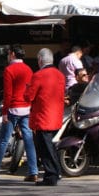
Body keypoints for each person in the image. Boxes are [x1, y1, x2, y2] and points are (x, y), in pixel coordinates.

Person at [0, 45, 38, 183]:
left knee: (3, 140)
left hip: (13, 108)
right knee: (28, 140)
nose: (7, 56)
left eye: (8, 54)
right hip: (26, 107)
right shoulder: (28, 69)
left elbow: (8, 93)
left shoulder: (9, 69)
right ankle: (33, 171)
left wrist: (5, 111)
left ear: (12, 54)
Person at [28, 48, 65, 187]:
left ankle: (51, 175)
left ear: (40, 60)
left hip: (42, 117)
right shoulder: (60, 75)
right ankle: (56, 172)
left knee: (45, 148)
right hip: (56, 115)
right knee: (50, 146)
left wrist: (27, 88)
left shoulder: (38, 75)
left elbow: (29, 96)